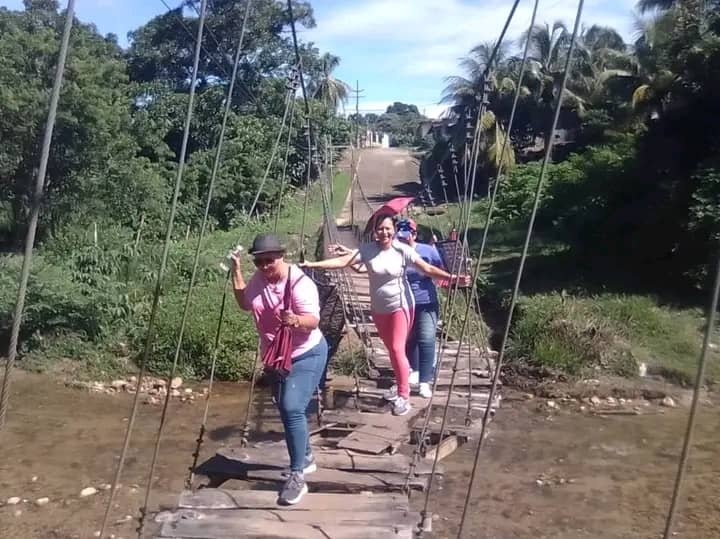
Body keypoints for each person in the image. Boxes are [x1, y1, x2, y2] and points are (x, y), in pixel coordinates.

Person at [300, 215, 469, 416]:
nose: (384, 232)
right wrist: (312, 265)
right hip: (379, 309)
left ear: (394, 230)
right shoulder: (368, 250)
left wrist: (453, 278)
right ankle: (404, 378)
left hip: (401, 305)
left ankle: (403, 396)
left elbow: (428, 269)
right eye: (380, 229)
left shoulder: (402, 250)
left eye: (388, 228)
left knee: (397, 348)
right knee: (392, 350)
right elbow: (344, 261)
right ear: (375, 232)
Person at [230, 233, 328, 506]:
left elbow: (313, 321)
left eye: (269, 261)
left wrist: (295, 320)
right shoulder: (259, 280)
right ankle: (305, 456)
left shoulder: (299, 283)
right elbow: (244, 303)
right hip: (276, 356)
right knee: (284, 408)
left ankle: (297, 475)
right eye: (259, 261)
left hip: (307, 353)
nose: (264, 266)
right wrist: (236, 272)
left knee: (291, 406)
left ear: (281, 256)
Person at [395, 218, 448, 399]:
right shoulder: (394, 252)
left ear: (414, 234)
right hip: (403, 303)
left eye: (406, 237)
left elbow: (440, 269)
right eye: (399, 237)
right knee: (409, 340)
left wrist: (443, 279)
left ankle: (425, 381)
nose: (402, 240)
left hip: (426, 301)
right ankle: (415, 370)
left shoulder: (427, 251)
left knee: (426, 338)